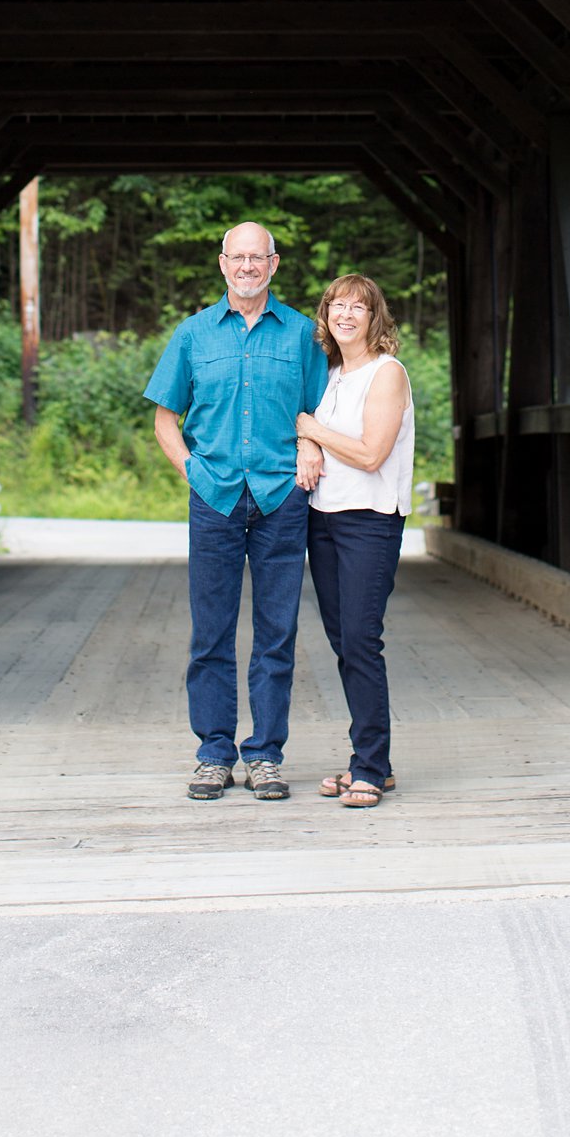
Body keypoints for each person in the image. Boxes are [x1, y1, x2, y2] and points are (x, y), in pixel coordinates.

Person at [145, 221, 330, 800]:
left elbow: (324, 412)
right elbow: (164, 419)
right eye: (238, 257)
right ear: (222, 264)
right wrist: (191, 471)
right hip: (215, 496)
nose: (248, 266)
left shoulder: (302, 335)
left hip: (281, 499)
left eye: (259, 258)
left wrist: (309, 445)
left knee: (277, 632)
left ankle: (266, 755)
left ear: (274, 265)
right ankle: (214, 752)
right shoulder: (194, 334)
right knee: (211, 632)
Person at [297, 273, 415, 809]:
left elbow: (371, 454)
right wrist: (307, 441)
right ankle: (371, 760)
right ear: (326, 316)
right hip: (322, 518)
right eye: (336, 305)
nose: (345, 314)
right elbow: (306, 427)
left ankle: (369, 765)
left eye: (358, 307)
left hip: (370, 519)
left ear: (375, 318)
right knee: (344, 642)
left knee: (362, 640)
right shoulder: (329, 374)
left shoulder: (387, 374)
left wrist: (313, 432)